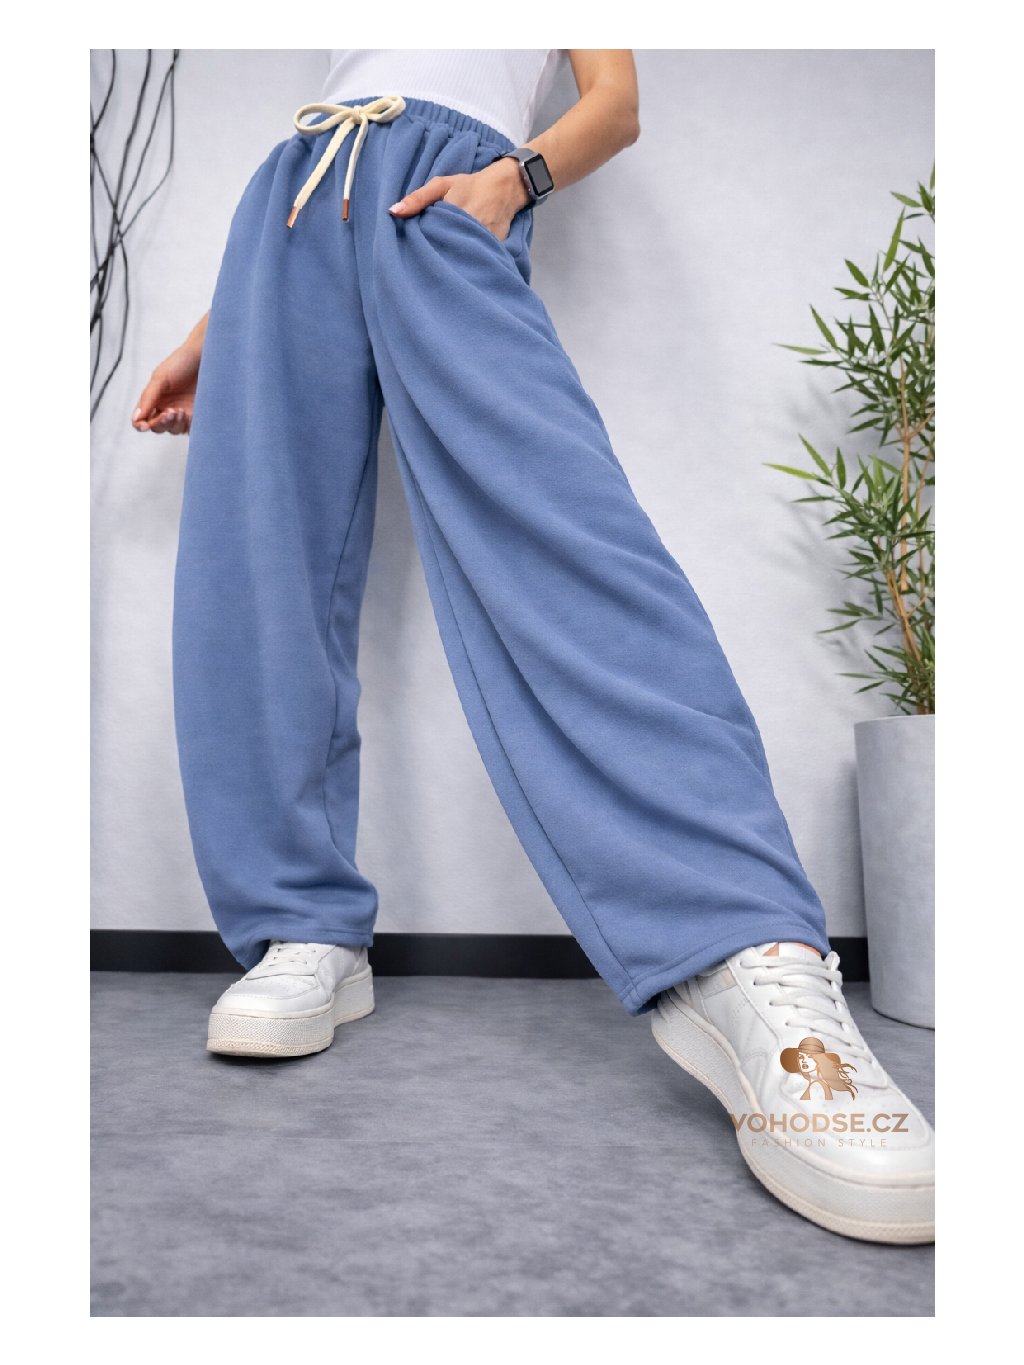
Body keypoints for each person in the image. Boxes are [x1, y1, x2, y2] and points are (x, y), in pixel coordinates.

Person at [132, 49, 934, 1245]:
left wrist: (513, 182)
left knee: (574, 543)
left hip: (444, 190)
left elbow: (614, 105)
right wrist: (225, 321)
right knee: (255, 571)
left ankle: (741, 949)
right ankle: (302, 929)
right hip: (289, 215)